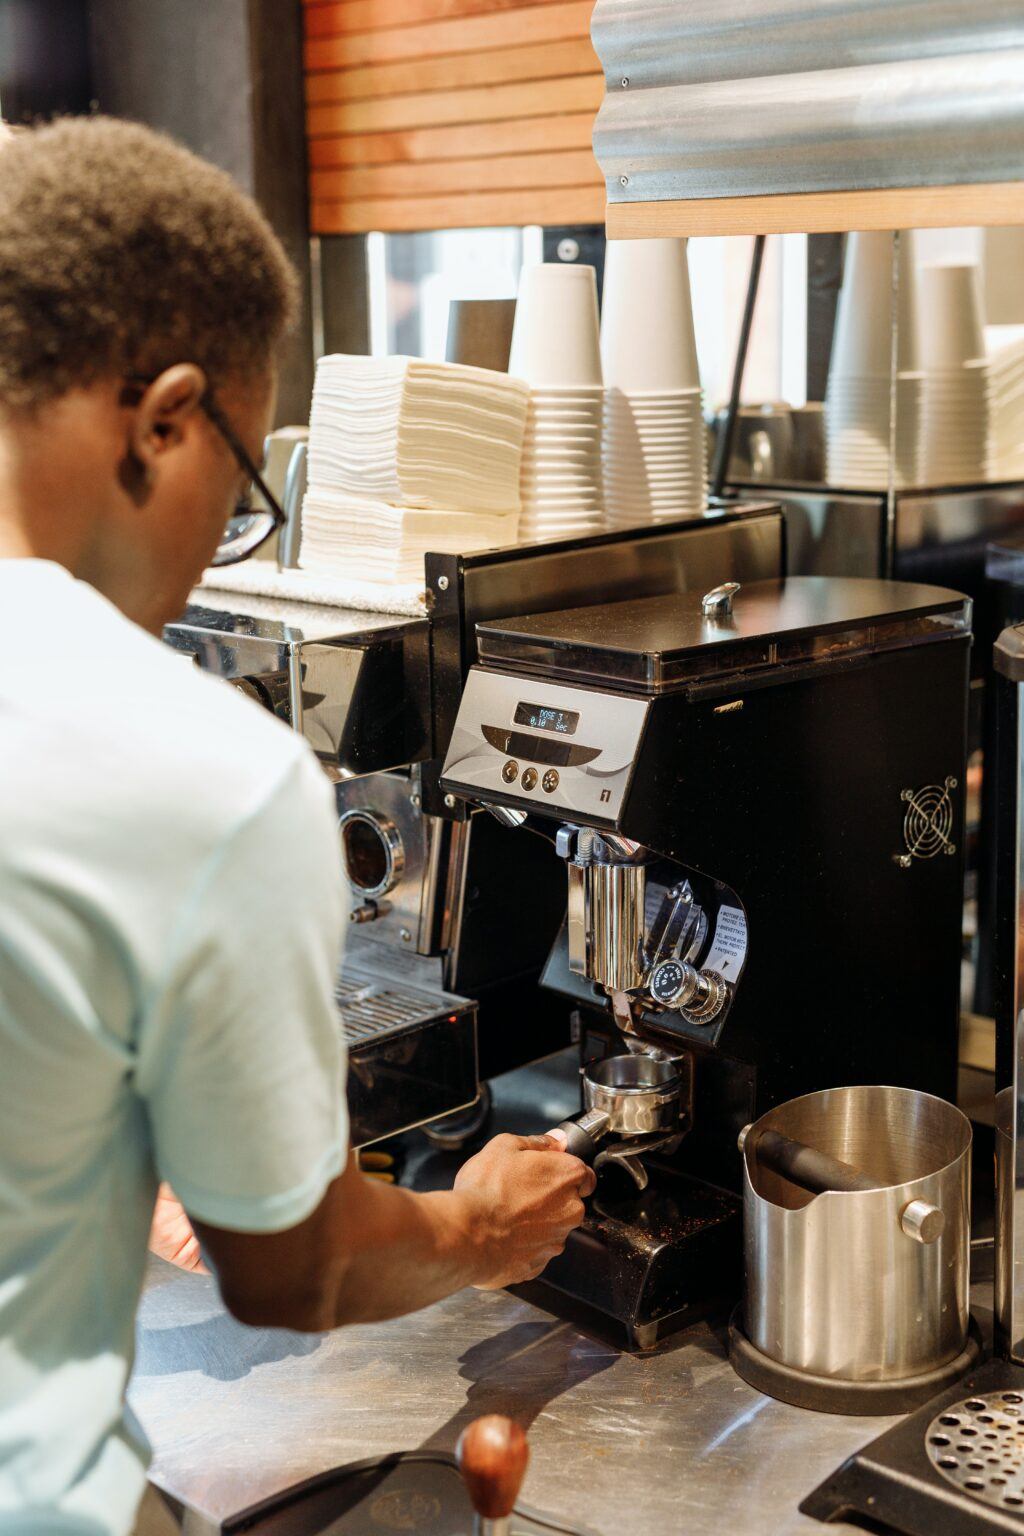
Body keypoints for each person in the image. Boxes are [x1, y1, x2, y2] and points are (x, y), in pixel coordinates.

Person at [0, 117, 594, 1536]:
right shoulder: (204, 771)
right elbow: (293, 1276)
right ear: (165, 417)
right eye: (249, 485)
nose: (223, 544)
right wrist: (483, 1227)